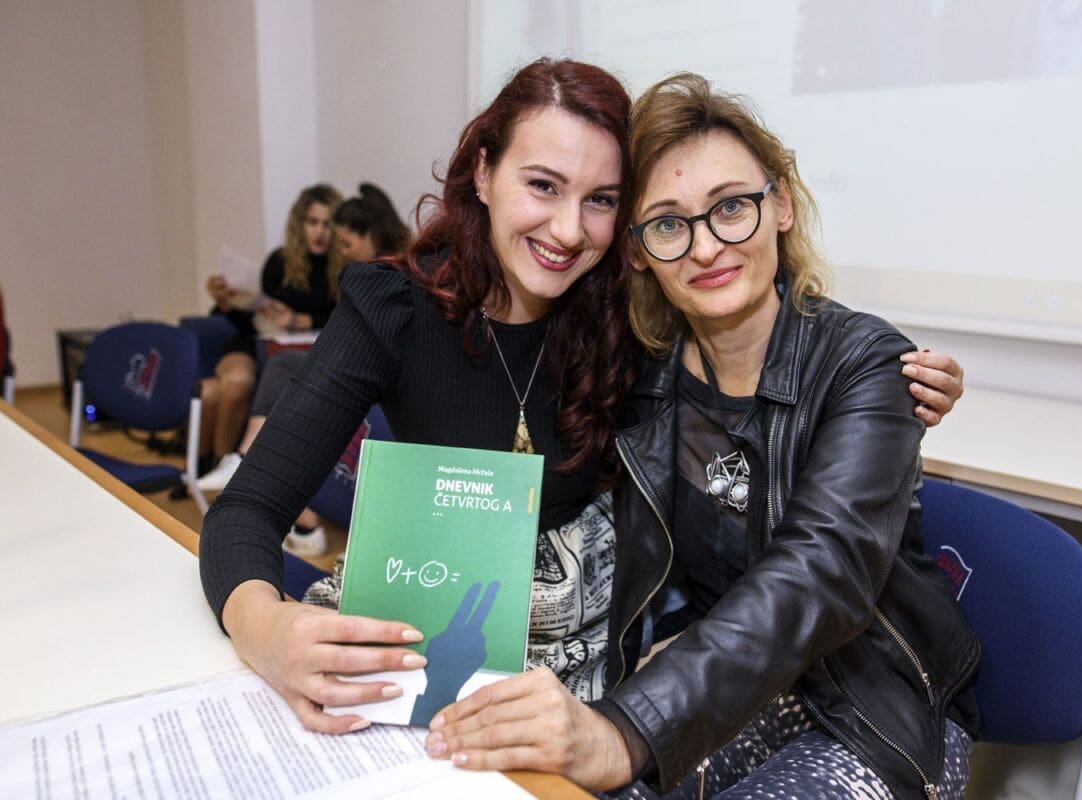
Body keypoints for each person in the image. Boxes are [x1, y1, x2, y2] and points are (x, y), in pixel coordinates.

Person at [197, 58, 965, 781]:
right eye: (543, 185)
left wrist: (881, 395)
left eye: (600, 201)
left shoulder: (639, 329)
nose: (569, 231)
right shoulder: (421, 311)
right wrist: (267, 631)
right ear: (483, 172)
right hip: (473, 636)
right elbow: (249, 505)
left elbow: (810, 551)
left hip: (727, 687)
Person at [424, 73, 980, 799]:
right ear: (637, 250)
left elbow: (823, 569)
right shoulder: (643, 378)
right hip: (718, 686)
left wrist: (627, 727)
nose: (707, 247)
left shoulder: (866, 367)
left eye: (731, 207)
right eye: (668, 223)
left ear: (781, 203)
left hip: (868, 706)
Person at [197, 182, 413, 557]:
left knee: (289, 371)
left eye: (345, 242)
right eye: (314, 224)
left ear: (369, 236)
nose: (340, 249)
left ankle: (249, 465)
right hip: (353, 361)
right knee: (287, 371)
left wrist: (303, 323)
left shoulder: (384, 274)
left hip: (377, 370)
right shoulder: (381, 269)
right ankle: (284, 500)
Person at [197, 184, 345, 490]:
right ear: (299, 224)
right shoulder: (280, 261)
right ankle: (214, 470)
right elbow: (250, 314)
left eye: (327, 223)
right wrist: (225, 302)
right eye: (312, 222)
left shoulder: (345, 267)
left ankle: (222, 473)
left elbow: (345, 316)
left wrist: (300, 320)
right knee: (234, 382)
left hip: (303, 349)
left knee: (220, 388)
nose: (320, 232)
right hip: (257, 339)